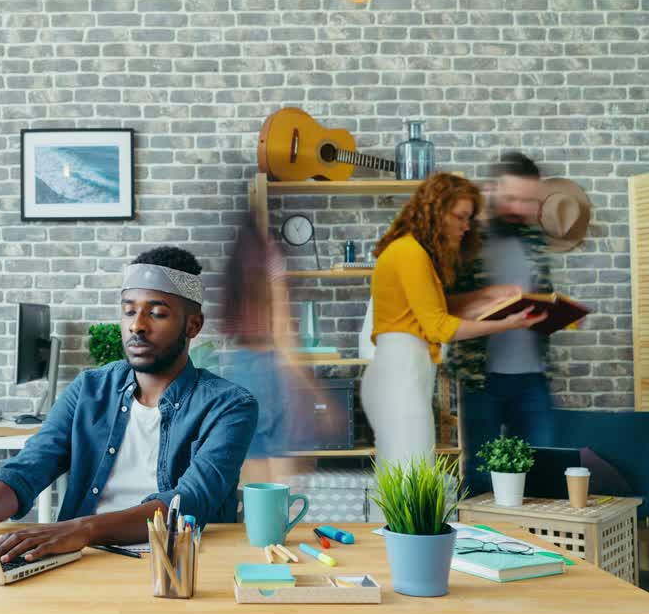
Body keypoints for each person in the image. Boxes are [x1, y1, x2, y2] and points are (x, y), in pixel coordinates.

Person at [0, 246, 260, 565]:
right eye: (129, 311)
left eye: (157, 313)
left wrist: (80, 529)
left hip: (177, 562)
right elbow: (28, 468)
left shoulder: (230, 406)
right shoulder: (89, 389)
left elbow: (189, 502)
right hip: (81, 558)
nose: (137, 326)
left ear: (193, 325)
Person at [362, 172, 546, 467]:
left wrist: (487, 295)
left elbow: (436, 309)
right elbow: (440, 328)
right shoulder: (410, 253)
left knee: (406, 479)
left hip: (403, 376)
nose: (466, 226)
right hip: (400, 378)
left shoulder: (412, 250)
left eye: (469, 219)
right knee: (410, 480)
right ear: (436, 212)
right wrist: (508, 324)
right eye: (460, 217)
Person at [446, 152, 559, 493]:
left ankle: (538, 543)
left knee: (543, 471)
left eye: (527, 201)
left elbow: (541, 295)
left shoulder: (536, 241)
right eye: (512, 198)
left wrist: (557, 315)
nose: (519, 208)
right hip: (480, 379)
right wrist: (488, 300)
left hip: (533, 378)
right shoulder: (464, 238)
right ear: (490, 190)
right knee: (481, 476)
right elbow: (441, 307)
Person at [219, 217, 320, 484]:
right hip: (269, 371)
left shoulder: (239, 259)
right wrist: (312, 390)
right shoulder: (270, 254)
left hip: (240, 370)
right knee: (282, 492)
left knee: (253, 491)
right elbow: (283, 326)